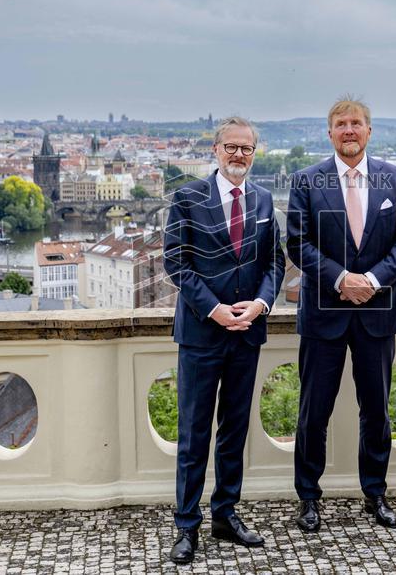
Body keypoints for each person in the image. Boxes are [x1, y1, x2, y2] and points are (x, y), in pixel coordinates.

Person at [287, 96, 396, 532]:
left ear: (369, 130)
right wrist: (343, 279)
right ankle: (308, 497)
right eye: (341, 123)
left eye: (356, 123)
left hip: (378, 312)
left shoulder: (395, 180)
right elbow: (298, 244)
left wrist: (374, 281)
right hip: (324, 313)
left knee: (377, 410)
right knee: (313, 412)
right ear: (330, 133)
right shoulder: (306, 181)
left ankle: (375, 493)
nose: (349, 130)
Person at [162, 116, 285, 564]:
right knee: (194, 433)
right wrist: (214, 310)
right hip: (201, 333)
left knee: (234, 431)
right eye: (230, 147)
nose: (238, 155)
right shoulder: (187, 197)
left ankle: (225, 514)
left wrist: (261, 305)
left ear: (255, 153)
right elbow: (176, 263)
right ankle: (186, 525)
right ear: (215, 150)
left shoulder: (265, 199)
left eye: (246, 149)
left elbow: (275, 263)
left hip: (247, 333)